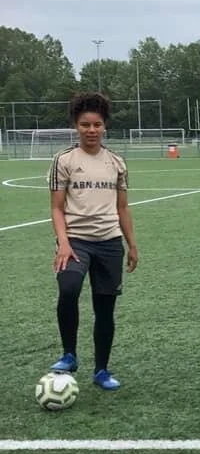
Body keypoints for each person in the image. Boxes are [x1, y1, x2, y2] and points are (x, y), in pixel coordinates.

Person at [46, 92, 139, 390]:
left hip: (110, 243)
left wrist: (131, 244)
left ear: (105, 126)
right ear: (76, 125)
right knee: (69, 288)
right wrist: (63, 243)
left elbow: (122, 207)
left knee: (105, 309)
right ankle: (69, 354)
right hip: (76, 241)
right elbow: (57, 208)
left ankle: (101, 371)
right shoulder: (64, 160)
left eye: (97, 124)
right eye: (85, 124)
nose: (91, 130)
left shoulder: (116, 163)